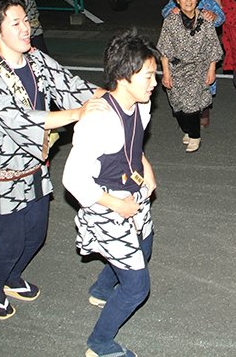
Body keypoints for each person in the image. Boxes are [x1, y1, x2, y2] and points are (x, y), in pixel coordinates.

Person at [0, 0, 107, 319]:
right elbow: (18, 119)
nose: (25, 28)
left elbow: (69, 84)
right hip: (2, 175)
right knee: (11, 241)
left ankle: (13, 278)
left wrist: (112, 96)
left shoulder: (36, 59)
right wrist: (77, 113)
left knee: (36, 235)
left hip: (34, 167)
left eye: (26, 20)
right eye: (15, 23)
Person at [63, 28, 159, 357]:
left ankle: (102, 289)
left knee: (145, 244)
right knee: (136, 287)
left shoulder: (140, 104)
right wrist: (117, 204)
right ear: (123, 77)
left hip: (133, 191)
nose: (155, 83)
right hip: (107, 202)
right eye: (148, 76)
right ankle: (100, 343)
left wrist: (146, 167)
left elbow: (134, 144)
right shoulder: (98, 121)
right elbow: (73, 179)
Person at [158, 0, 222, 153]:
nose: (188, 0)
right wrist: (166, 73)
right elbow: (164, 49)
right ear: (177, 0)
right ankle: (187, 130)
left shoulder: (206, 20)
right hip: (176, 68)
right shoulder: (170, 21)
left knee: (191, 104)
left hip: (198, 68)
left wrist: (211, 69)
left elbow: (213, 47)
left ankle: (195, 136)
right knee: (177, 105)